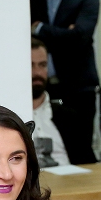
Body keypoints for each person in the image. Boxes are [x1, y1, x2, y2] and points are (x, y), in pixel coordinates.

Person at [30, 0, 98, 163]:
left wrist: (40, 28)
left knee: (81, 152)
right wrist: (65, 33)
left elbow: (80, 37)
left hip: (78, 87)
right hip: (40, 86)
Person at [31, 38, 70, 167]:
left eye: (42, 65)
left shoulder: (69, 117)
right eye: (31, 65)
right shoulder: (7, 119)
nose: (37, 72)